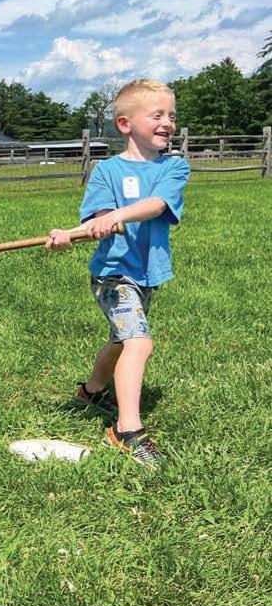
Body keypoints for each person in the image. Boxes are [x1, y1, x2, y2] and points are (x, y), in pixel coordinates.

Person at [46, 79, 189, 468]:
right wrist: (72, 233)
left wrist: (117, 215)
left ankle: (92, 391)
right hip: (113, 275)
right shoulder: (106, 171)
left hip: (147, 273)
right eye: (157, 115)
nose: (167, 122)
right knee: (139, 343)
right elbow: (99, 219)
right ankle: (126, 431)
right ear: (125, 124)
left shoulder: (174, 166)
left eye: (171, 115)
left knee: (121, 340)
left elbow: (157, 204)